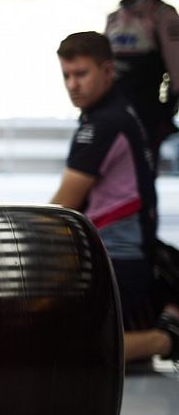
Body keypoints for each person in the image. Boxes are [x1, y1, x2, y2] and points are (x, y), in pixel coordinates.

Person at [51, 31, 178, 364]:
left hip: (117, 259)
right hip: (118, 254)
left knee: (67, 351)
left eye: (81, 74)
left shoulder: (104, 124)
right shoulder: (116, 112)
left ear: (108, 71)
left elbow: (61, 206)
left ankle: (163, 340)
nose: (72, 84)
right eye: (66, 75)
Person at [105, 0, 179, 171]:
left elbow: (177, 72)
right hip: (114, 113)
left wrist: (165, 113)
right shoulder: (113, 19)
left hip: (147, 115)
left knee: (142, 177)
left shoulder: (163, 15)